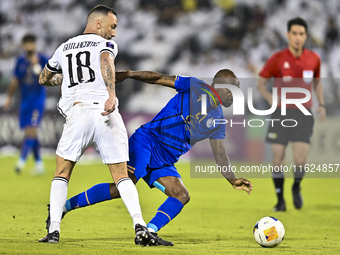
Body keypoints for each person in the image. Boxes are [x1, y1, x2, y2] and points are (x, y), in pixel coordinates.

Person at [43, 69, 253, 246]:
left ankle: (148, 232)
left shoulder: (218, 120)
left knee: (181, 194)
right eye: (235, 89)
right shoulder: (195, 86)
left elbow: (220, 153)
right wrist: (130, 74)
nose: (236, 94)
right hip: (147, 141)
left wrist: (232, 179)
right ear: (222, 86)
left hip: (164, 159)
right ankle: (62, 208)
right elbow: (159, 78)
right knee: (122, 187)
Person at [37, 5, 155, 245]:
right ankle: (140, 226)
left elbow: (44, 78)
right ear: (98, 24)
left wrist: (65, 78)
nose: (113, 33)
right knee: (122, 176)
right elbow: (105, 62)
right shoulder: (106, 45)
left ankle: (54, 231)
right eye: (112, 27)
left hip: (78, 114)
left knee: (62, 173)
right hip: (105, 112)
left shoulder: (63, 47)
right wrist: (111, 94)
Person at [257, 17, 326, 211]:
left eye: (301, 34)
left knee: (300, 159)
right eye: (294, 33)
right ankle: (280, 200)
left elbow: (318, 82)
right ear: (288, 35)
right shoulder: (277, 58)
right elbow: (260, 83)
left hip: (304, 114)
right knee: (278, 159)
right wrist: (271, 99)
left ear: (306, 36)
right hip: (281, 114)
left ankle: (296, 187)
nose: (298, 37)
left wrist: (321, 103)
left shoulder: (314, 59)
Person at [3, 34, 49, 175]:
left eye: (31, 43)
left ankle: (21, 161)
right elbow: (14, 80)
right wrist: (9, 97)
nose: (29, 46)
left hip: (37, 100)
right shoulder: (20, 62)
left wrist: (36, 65)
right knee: (30, 132)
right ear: (23, 45)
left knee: (32, 129)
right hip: (24, 102)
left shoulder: (42, 59)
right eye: (27, 43)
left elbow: (47, 78)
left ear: (35, 44)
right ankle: (39, 164)